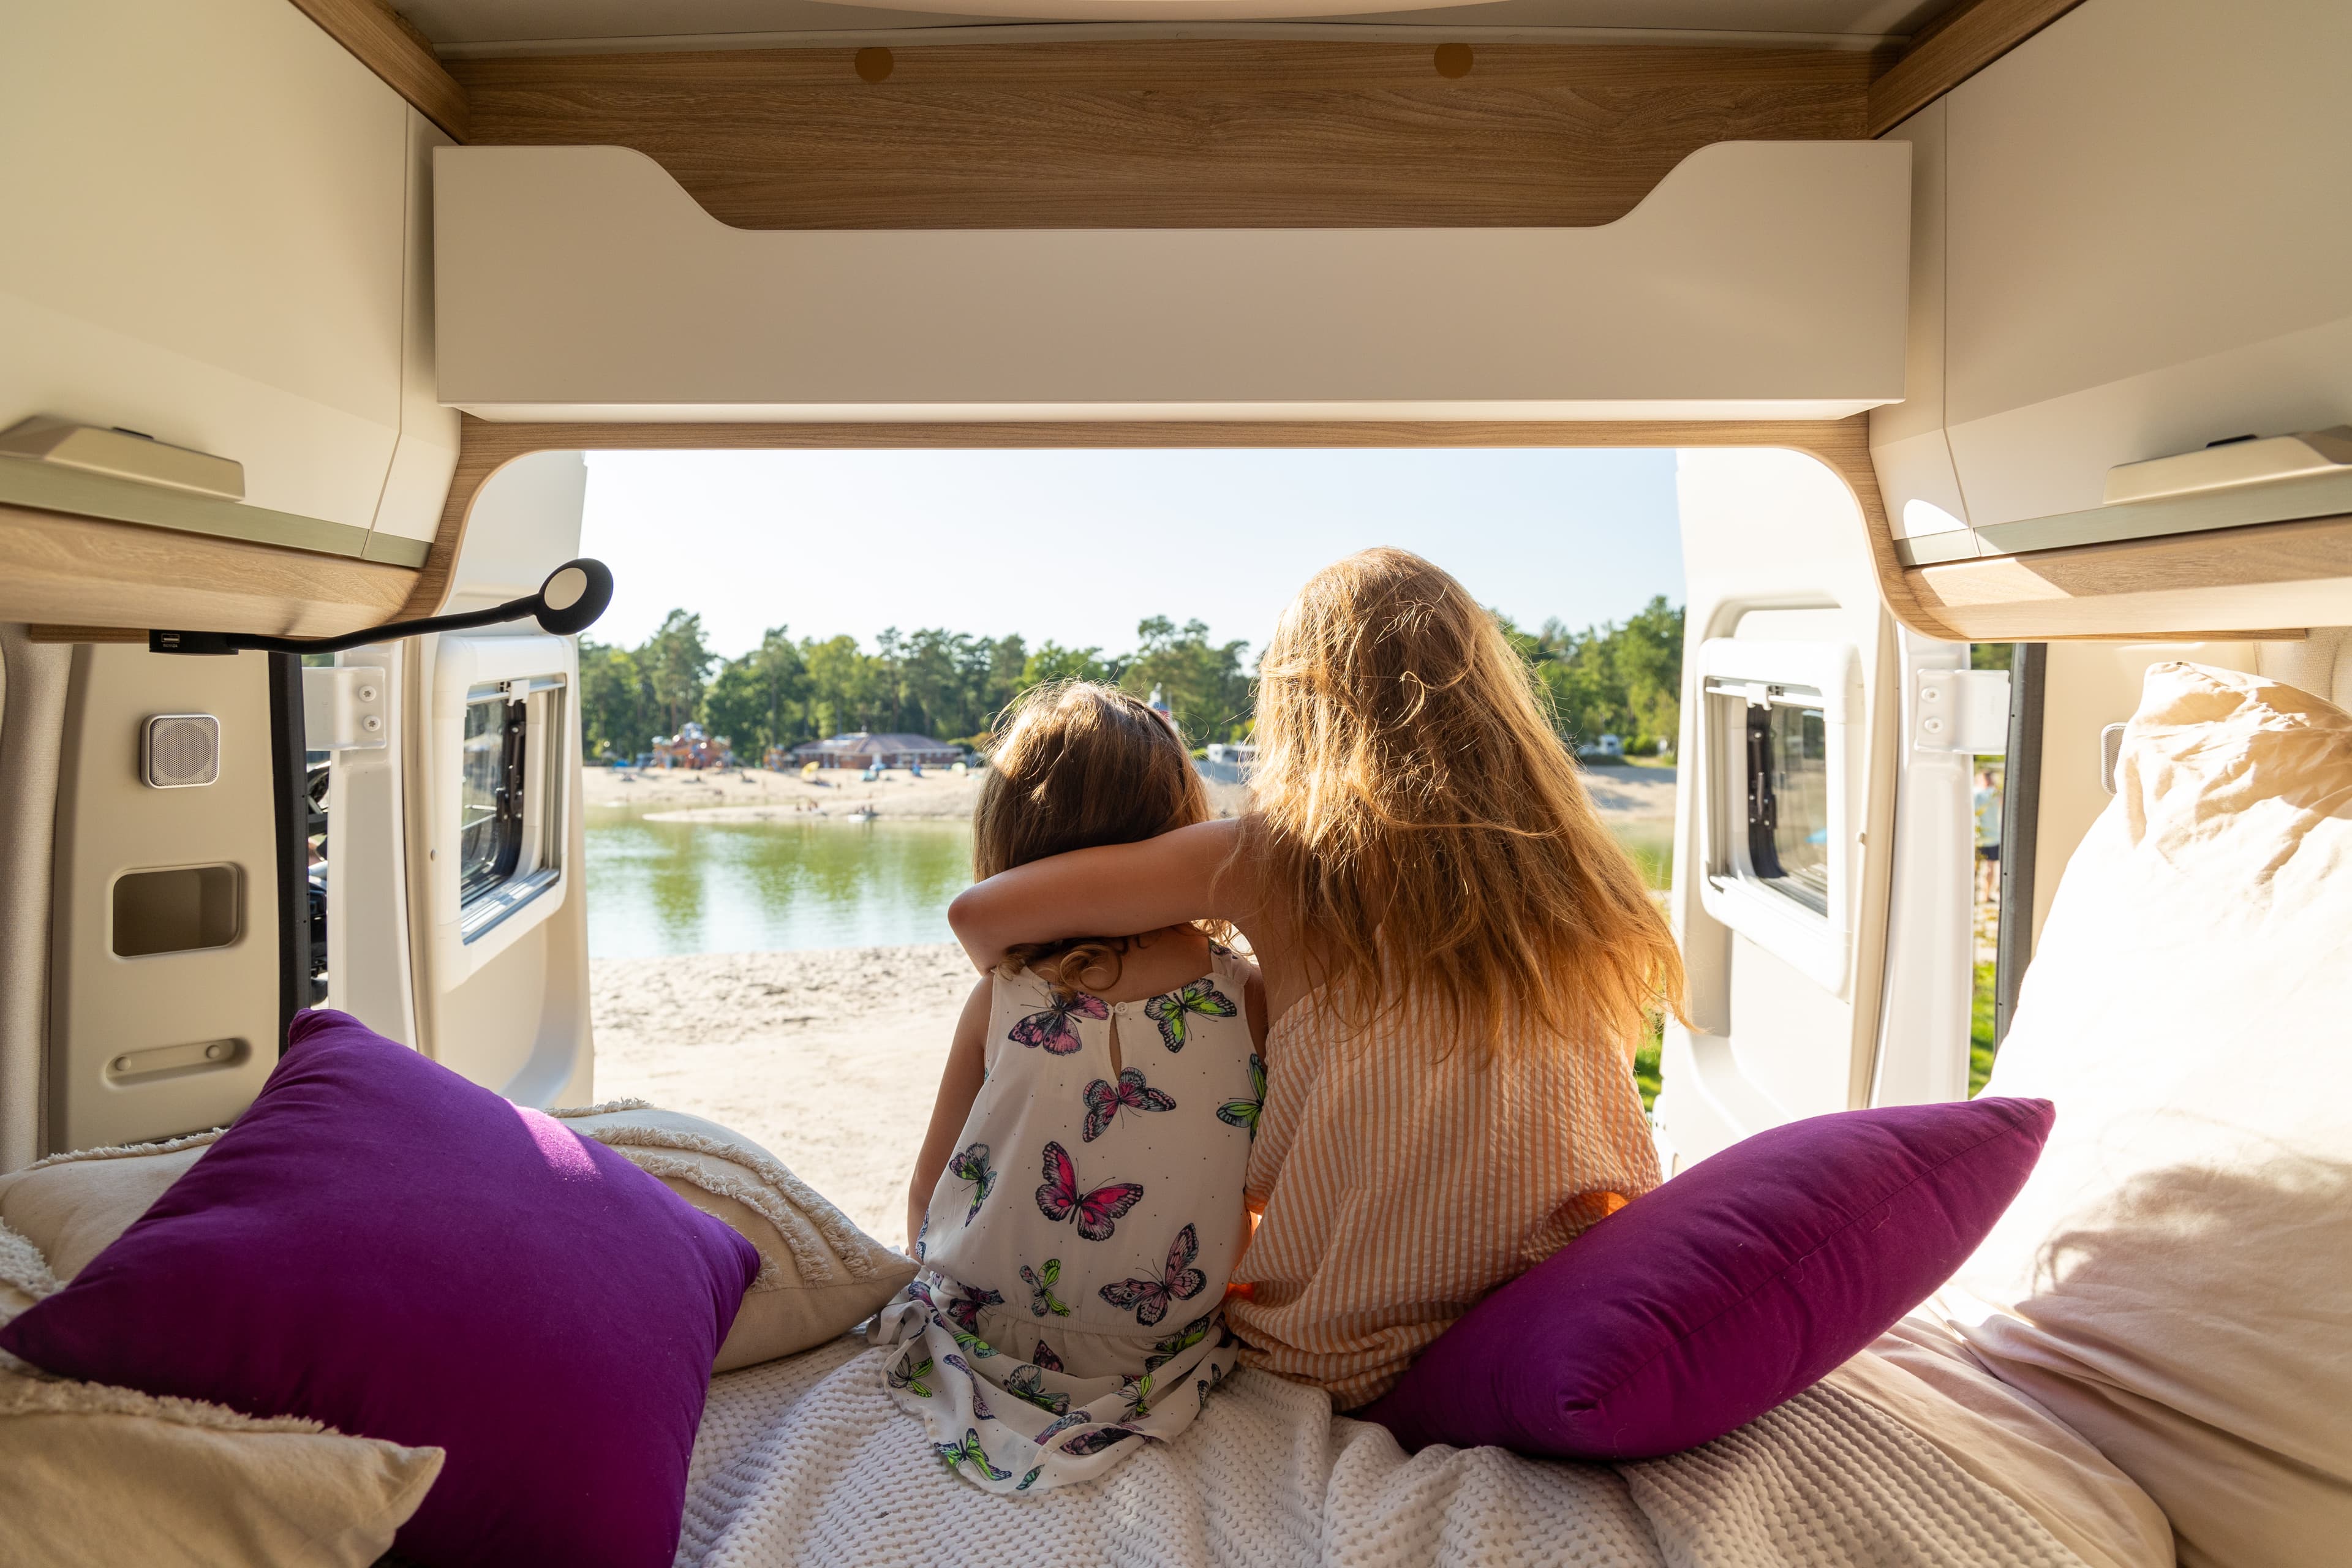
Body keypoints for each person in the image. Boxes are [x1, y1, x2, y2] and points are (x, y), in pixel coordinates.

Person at [949, 548, 1684, 1411]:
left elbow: (981, 917)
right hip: (1542, 1320)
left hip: (1338, 1355)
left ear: (1301, 701)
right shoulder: (1573, 872)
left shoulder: (1279, 858)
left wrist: (1023, 1000)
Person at [878, 682, 1267, 1493]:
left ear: (1013, 834)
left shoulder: (1003, 993)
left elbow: (930, 1189)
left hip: (981, 1333)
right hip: (1156, 1347)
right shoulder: (1245, 996)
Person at [1974, 767, 2003, 906]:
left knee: (1975, 867)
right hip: (1993, 836)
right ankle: (1986, 896)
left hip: (1978, 836)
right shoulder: (1996, 794)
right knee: (1990, 867)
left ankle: (1974, 894)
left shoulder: (1976, 794)